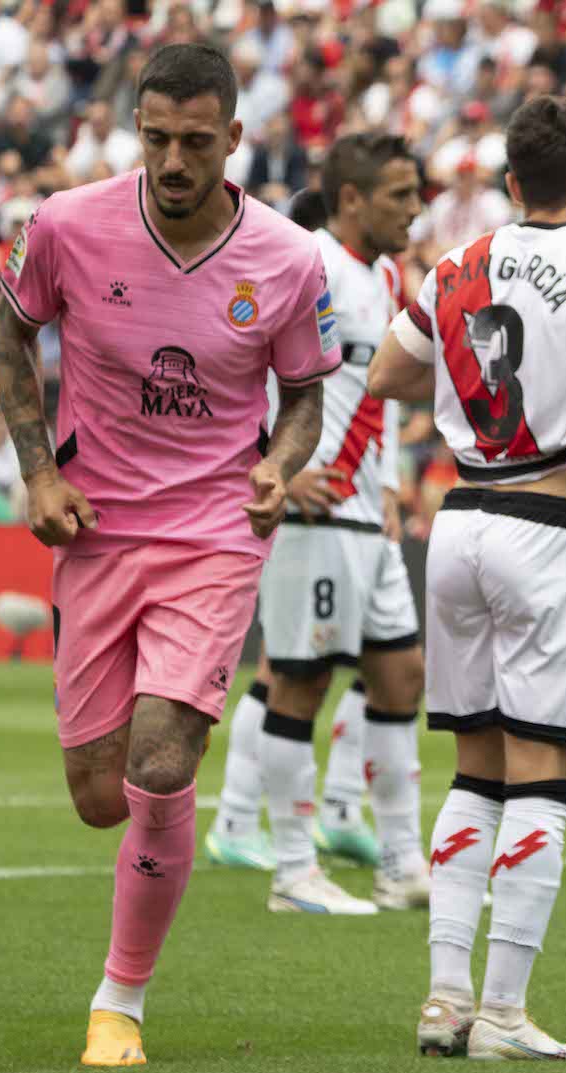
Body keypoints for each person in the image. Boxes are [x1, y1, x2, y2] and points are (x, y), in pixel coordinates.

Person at [0, 42, 338, 1066]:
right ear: (134, 132)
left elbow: (306, 393)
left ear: (233, 138)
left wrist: (279, 463)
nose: (174, 160)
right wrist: (38, 472)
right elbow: (12, 333)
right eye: (156, 139)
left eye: (195, 141)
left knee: (158, 760)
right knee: (100, 795)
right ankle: (163, 787)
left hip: (214, 536)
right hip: (96, 530)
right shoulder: (65, 225)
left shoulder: (286, 258)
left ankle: (119, 1001)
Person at [368, 94, 566, 1062]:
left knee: (473, 768)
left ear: (510, 182)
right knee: (542, 774)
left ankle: (442, 998)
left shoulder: (454, 264)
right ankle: (503, 1013)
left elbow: (390, 370)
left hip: (459, 519)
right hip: (550, 526)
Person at [205, 132, 431, 915]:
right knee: (298, 682)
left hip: (367, 514)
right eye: (400, 194)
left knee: (402, 676)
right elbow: (234, 367)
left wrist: (394, 482)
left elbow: (384, 394)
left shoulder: (391, 275)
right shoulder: (304, 266)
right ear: (351, 201)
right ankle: (294, 870)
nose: (415, 207)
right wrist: (272, 470)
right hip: (314, 517)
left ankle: (404, 862)